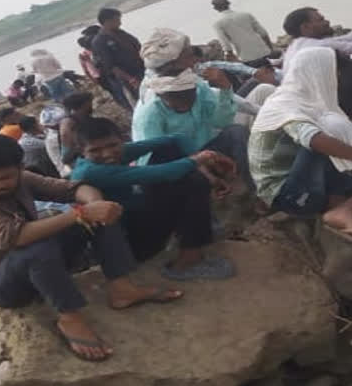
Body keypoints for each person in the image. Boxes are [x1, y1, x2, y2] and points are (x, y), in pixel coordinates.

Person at [0, 135, 182, 361]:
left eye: (5, 178)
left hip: (34, 264)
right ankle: (69, 317)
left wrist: (96, 205)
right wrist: (82, 213)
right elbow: (13, 238)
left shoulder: (21, 180)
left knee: (99, 214)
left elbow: (73, 188)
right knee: (38, 245)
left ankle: (122, 288)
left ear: (20, 169)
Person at [70, 118, 235, 281]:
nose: (106, 154)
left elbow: (175, 138)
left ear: (122, 139)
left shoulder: (117, 153)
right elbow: (165, 173)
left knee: (169, 151)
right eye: (95, 150)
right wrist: (201, 161)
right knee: (192, 182)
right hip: (131, 244)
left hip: (137, 215)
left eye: (113, 145)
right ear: (81, 152)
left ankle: (197, 222)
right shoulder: (90, 172)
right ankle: (188, 261)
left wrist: (206, 163)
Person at [248, 47, 352, 234]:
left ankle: (339, 199)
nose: (338, 79)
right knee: (328, 139)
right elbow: (313, 140)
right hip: (289, 196)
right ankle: (339, 207)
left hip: (301, 179)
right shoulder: (285, 104)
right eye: (335, 73)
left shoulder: (304, 98)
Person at [132, 68, 251, 182]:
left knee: (237, 132)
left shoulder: (200, 90)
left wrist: (225, 90)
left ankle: (251, 183)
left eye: (189, 99)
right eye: (177, 102)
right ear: (161, 96)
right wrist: (201, 169)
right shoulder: (149, 115)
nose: (185, 106)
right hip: (179, 162)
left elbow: (222, 122)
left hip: (208, 150)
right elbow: (153, 159)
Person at [92, 8, 144, 110]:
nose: (120, 23)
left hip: (141, 69)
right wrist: (130, 79)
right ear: (107, 21)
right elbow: (110, 66)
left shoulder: (120, 33)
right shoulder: (99, 41)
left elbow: (136, 46)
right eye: (117, 20)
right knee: (142, 99)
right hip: (128, 77)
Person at [211, 0, 274, 66]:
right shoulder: (246, 15)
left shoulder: (218, 23)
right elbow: (263, 33)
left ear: (215, 8)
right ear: (229, 3)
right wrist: (270, 49)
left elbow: (226, 46)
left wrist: (231, 60)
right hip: (263, 52)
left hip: (246, 57)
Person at [58, 92, 95, 168]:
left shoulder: (84, 117)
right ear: (82, 105)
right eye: (89, 103)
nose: (91, 105)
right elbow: (67, 138)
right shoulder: (68, 122)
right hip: (76, 159)